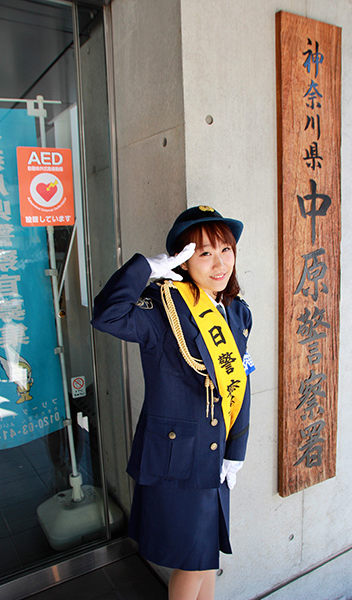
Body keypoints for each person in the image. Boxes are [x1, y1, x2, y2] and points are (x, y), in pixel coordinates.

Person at [91, 205, 254, 600]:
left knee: (206, 555)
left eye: (226, 250)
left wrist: (236, 451)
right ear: (182, 260)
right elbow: (106, 315)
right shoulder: (161, 308)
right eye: (205, 253)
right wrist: (146, 269)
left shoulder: (236, 311)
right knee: (192, 562)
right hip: (176, 457)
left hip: (216, 457)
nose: (220, 264)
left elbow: (241, 383)